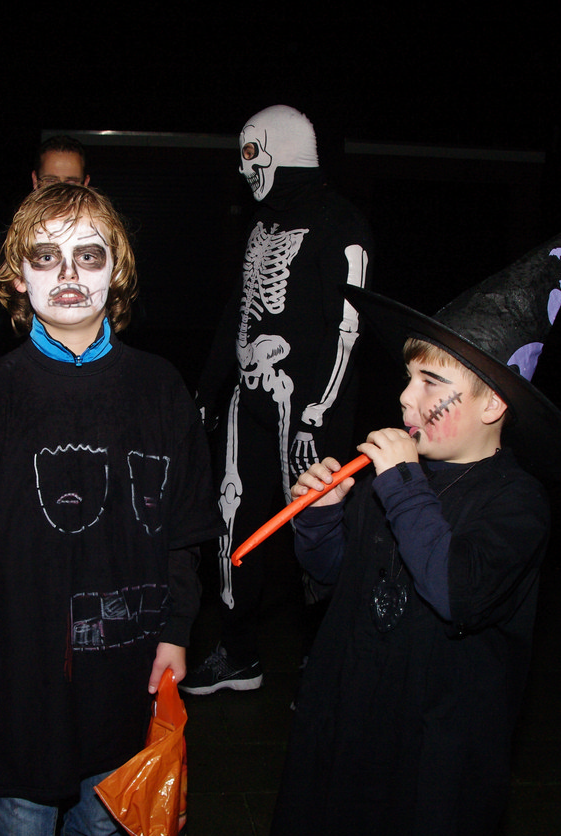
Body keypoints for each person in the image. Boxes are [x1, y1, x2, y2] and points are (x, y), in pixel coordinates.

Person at [0, 183, 223, 836]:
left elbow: (183, 531)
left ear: (118, 270)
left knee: (99, 835)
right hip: (21, 669)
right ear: (18, 277)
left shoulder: (159, 387)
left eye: (89, 255)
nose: (69, 274)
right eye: (46, 257)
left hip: (124, 663)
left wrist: (177, 630)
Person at [263, 226, 561, 836]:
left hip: (430, 762)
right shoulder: (397, 481)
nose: (406, 401)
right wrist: (320, 519)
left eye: (430, 384)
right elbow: (336, 578)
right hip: (348, 735)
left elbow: (456, 591)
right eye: (408, 379)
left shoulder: (515, 502)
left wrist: (402, 486)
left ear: (492, 405)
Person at [185, 104, 373, 695]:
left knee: (314, 527)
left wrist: (318, 413)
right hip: (250, 398)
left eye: (250, 153)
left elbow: (348, 328)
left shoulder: (341, 223)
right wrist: (207, 390)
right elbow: (236, 312)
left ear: (280, 150)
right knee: (233, 518)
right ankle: (238, 651)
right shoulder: (262, 223)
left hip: (308, 408)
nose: (243, 170)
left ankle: (324, 662)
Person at [0, 135, 90, 362]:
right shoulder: (2, 244)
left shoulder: (103, 244)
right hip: (15, 368)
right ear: (35, 181)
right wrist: (23, 317)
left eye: (70, 184)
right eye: (50, 182)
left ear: (85, 184)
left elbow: (130, 313)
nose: (59, 192)